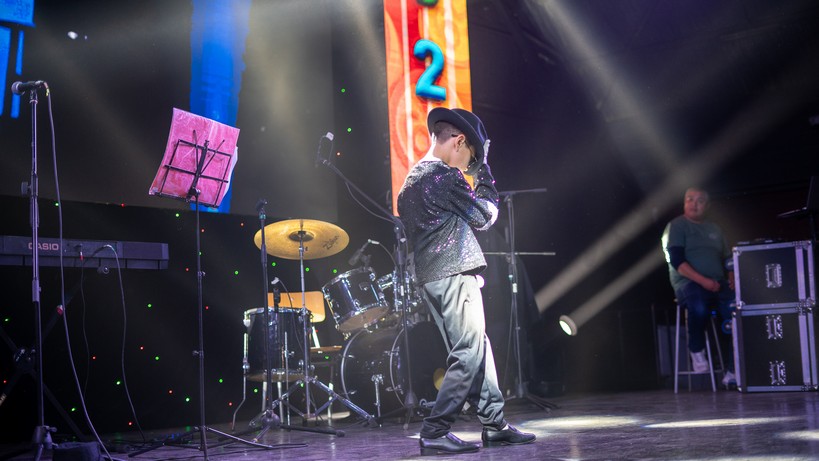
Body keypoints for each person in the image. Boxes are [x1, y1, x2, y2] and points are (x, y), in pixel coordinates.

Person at [397, 107, 536, 455]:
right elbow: (484, 216)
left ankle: (494, 424)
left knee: (477, 348)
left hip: (431, 279)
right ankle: (436, 430)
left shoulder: (409, 182)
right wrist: (484, 169)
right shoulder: (445, 177)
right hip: (454, 274)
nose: (468, 166)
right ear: (459, 141)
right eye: (470, 156)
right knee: (469, 352)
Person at [661, 187, 736, 387]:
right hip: (689, 283)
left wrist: (732, 278)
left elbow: (729, 258)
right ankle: (696, 349)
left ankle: (733, 370)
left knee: (737, 312)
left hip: (717, 283)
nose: (694, 204)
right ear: (684, 203)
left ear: (707, 205)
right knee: (699, 305)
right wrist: (703, 281)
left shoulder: (715, 229)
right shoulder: (677, 226)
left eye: (700, 200)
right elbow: (677, 261)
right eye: (690, 199)